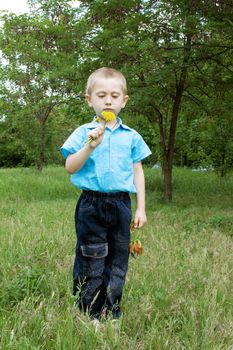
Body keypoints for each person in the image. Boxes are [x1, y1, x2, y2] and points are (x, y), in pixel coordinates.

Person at [60, 67, 151, 322]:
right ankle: (88, 312)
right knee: (91, 256)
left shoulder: (131, 137)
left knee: (118, 259)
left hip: (121, 203)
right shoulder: (83, 133)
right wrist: (90, 145)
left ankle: (110, 310)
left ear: (124, 100)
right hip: (91, 203)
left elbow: (138, 172)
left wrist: (141, 208)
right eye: (101, 95)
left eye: (114, 95)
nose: (108, 100)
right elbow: (70, 167)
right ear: (90, 99)